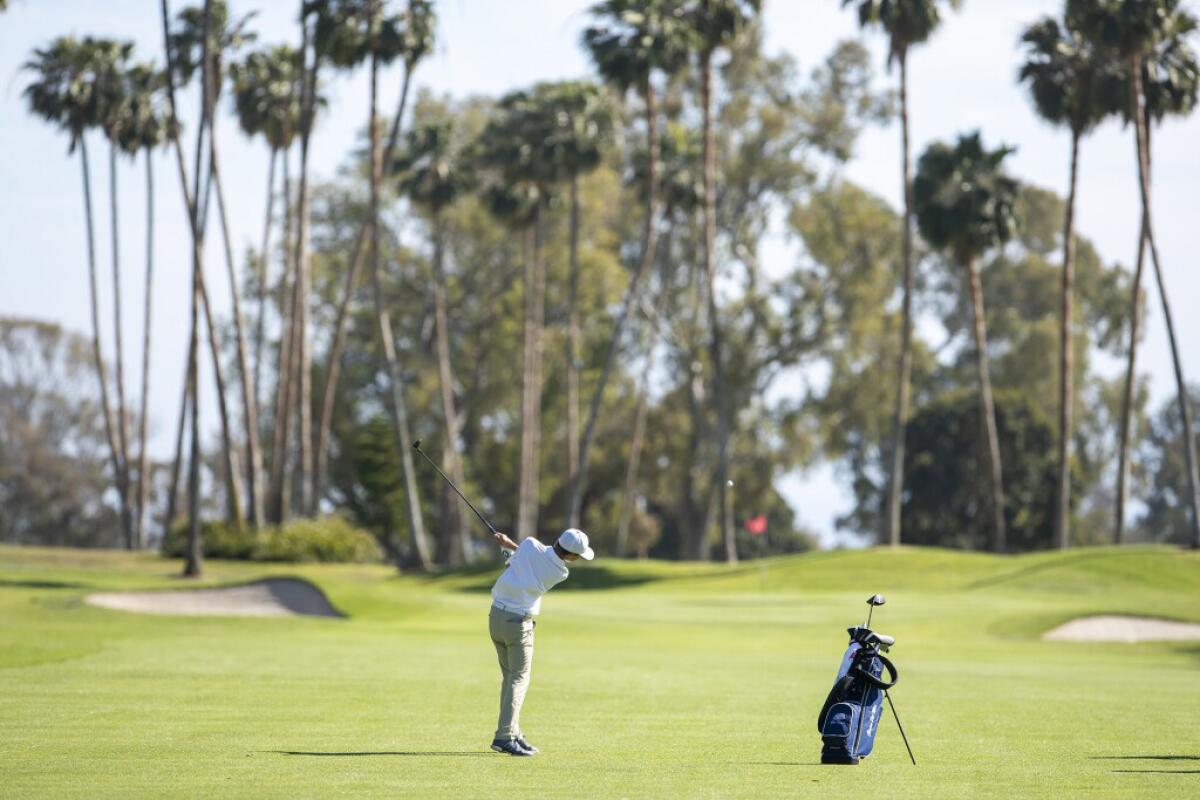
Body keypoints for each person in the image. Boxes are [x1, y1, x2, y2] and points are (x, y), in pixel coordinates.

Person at [488, 527, 594, 756]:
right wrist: (509, 546)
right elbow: (527, 562)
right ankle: (504, 737)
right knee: (519, 678)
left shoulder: (528, 544)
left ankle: (513, 732)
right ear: (572, 556)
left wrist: (508, 545)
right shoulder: (560, 571)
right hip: (518, 625)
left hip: (495, 618)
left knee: (509, 678)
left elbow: (521, 560)